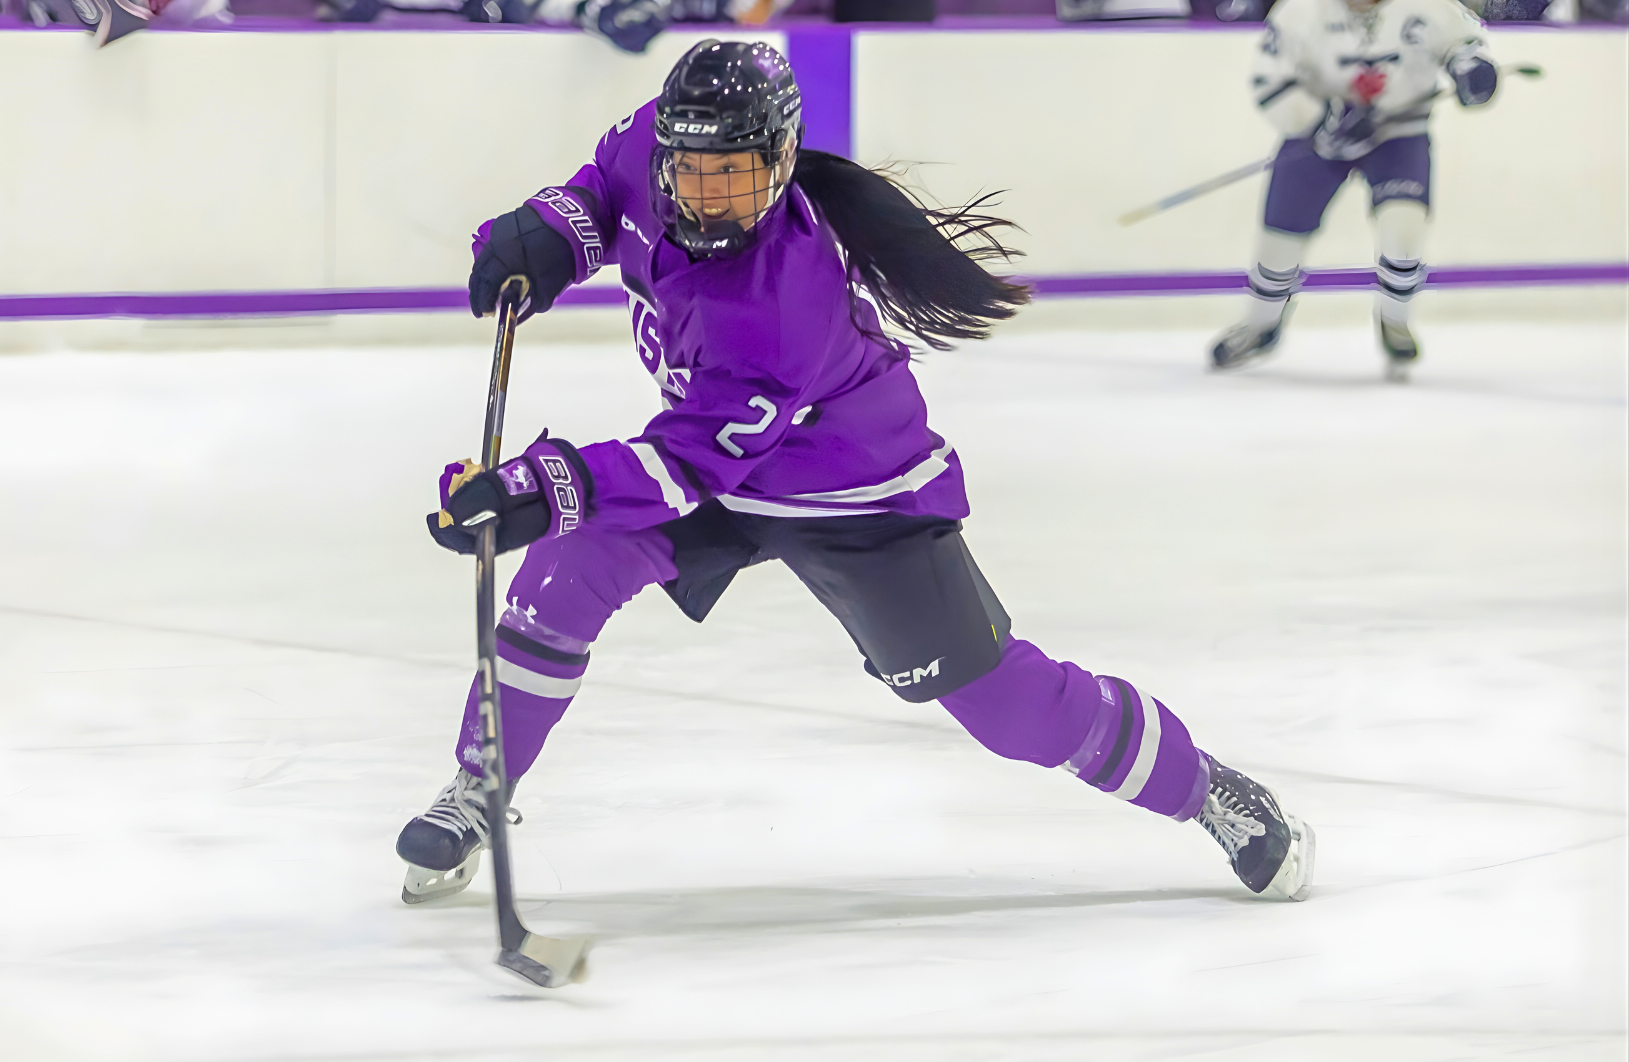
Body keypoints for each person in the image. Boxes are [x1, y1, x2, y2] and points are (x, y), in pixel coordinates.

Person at [396, 40, 1316, 909]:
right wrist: (553, 233)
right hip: (722, 468)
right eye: (693, 174)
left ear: (784, 161)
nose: (708, 198)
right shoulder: (656, 142)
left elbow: (681, 464)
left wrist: (535, 490)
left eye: (736, 178)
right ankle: (481, 784)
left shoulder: (783, 300)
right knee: (572, 566)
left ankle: (1205, 791)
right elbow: (604, 192)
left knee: (1004, 708)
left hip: (853, 493)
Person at [1210, 0, 1499, 381]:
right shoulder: (1299, 10)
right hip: (1313, 140)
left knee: (1404, 232)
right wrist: (1319, 122)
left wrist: (1470, 67)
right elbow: (1269, 78)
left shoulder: (1428, 5)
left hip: (1400, 134)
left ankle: (1395, 321)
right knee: (1278, 245)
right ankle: (1261, 325)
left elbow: (1463, 43)